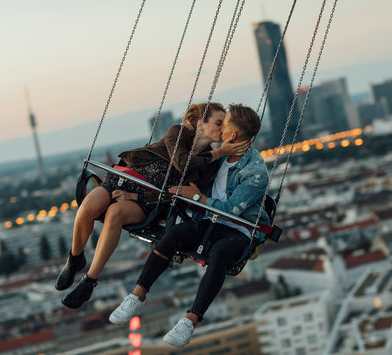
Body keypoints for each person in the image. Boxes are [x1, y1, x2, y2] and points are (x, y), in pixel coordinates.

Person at [56, 102, 250, 309]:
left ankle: (89, 282)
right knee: (87, 208)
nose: (223, 128)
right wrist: (218, 152)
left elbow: (182, 195)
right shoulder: (179, 133)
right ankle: (75, 257)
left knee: (115, 213)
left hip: (149, 201)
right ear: (201, 124)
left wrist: (135, 196)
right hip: (124, 178)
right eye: (219, 123)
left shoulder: (209, 164)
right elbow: (181, 162)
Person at [109, 104, 270, 347]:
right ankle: (137, 295)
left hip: (238, 228)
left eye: (222, 124)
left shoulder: (256, 171)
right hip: (206, 220)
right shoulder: (217, 154)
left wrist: (198, 197)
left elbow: (231, 211)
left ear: (233, 135)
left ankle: (190, 320)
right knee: (174, 235)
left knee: (220, 253)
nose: (219, 128)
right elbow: (186, 170)